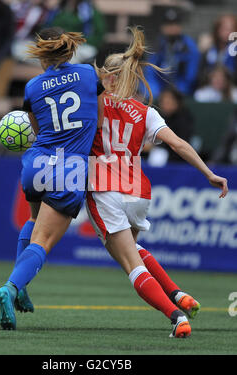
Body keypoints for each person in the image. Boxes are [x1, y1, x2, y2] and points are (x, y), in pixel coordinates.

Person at [87, 27, 228, 338]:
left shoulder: (93, 103)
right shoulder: (145, 112)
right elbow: (178, 144)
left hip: (103, 186)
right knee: (133, 250)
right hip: (138, 190)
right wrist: (208, 173)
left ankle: (176, 316)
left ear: (106, 76)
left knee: (130, 264)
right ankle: (178, 294)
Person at [0, 26, 104, 330]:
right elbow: (100, 120)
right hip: (69, 169)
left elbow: (37, 130)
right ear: (70, 50)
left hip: (36, 163)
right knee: (43, 242)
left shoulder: (32, 87)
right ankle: (11, 287)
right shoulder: (87, 74)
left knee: (33, 223)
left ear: (43, 54)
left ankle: (22, 286)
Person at [145, 7, 200, 99]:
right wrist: (156, 94)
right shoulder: (157, 45)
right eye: (168, 24)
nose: (171, 28)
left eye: (175, 24)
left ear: (180, 26)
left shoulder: (189, 47)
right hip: (159, 92)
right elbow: (150, 72)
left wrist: (175, 94)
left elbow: (190, 76)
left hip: (181, 94)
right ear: (162, 27)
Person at [198, 14, 237, 86]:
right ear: (217, 29)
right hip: (210, 88)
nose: (227, 32)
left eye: (231, 29)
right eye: (224, 28)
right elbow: (200, 73)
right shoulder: (209, 48)